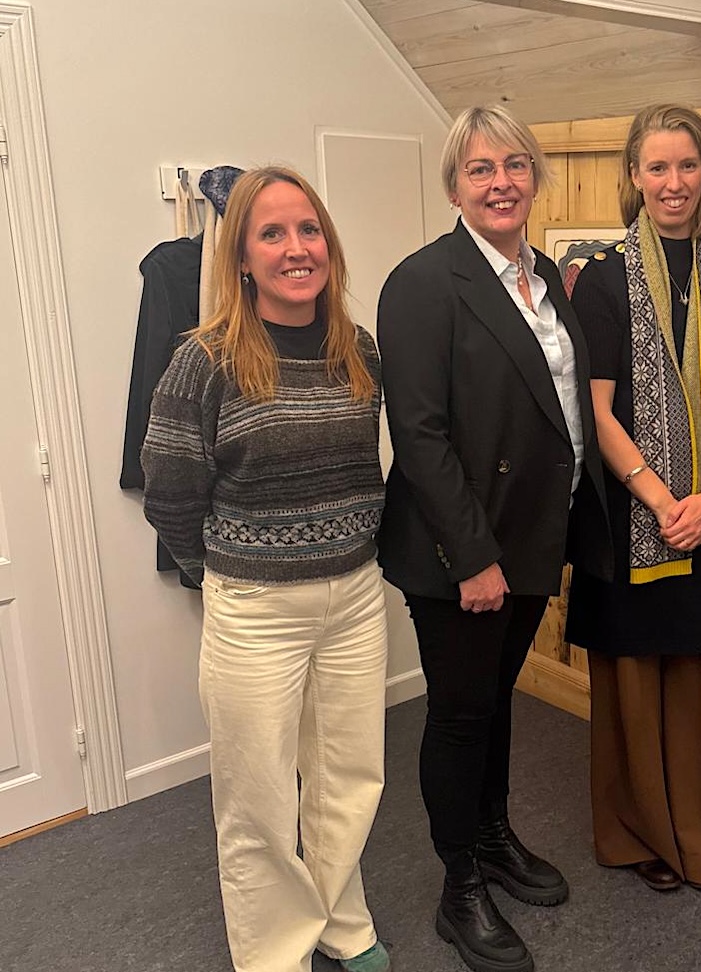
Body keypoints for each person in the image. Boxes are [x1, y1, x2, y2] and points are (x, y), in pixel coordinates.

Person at [375, 106, 611, 972]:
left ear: (534, 178)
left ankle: (492, 834)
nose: (501, 182)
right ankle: (458, 885)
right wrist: (472, 557)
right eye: (481, 169)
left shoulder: (543, 275)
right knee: (460, 712)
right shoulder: (422, 282)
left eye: (514, 165)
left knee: (495, 700)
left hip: (534, 533)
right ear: (454, 188)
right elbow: (420, 433)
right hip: (461, 551)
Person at [141, 166, 391, 972]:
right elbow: (169, 489)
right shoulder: (205, 359)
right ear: (243, 258)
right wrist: (221, 573)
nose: (296, 248)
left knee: (348, 775)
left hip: (355, 598)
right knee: (258, 794)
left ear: (329, 245)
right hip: (254, 607)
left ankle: (341, 921)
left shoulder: (358, 349)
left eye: (308, 229)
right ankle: (276, 953)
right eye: (272, 234)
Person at [565, 104, 701, 893]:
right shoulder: (602, 279)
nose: (673, 182)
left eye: (687, 166)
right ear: (635, 176)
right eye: (658, 167)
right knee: (632, 685)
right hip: (628, 521)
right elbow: (595, 410)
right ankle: (636, 834)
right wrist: (658, 498)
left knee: (699, 679)